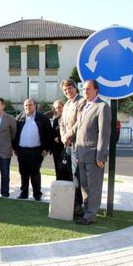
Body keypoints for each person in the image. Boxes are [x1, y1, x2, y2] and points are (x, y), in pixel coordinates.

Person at [75, 79, 111, 225]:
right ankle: (86, 210)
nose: (85, 91)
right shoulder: (84, 106)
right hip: (81, 153)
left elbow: (104, 133)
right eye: (84, 89)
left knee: (94, 187)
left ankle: (91, 215)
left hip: (94, 155)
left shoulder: (102, 106)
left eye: (88, 89)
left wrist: (100, 155)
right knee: (84, 186)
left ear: (96, 90)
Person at [13, 99, 52, 201]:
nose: (27, 107)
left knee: (35, 173)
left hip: (36, 151)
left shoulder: (43, 119)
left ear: (35, 106)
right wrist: (15, 148)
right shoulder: (19, 118)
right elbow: (14, 134)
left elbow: (49, 135)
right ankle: (24, 193)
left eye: (30, 105)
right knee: (23, 173)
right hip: (21, 151)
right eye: (26, 106)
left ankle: (37, 194)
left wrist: (46, 149)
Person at [59, 79, 86, 215]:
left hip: (77, 144)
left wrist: (67, 136)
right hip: (68, 144)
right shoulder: (67, 104)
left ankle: (78, 205)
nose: (67, 91)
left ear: (75, 88)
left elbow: (79, 123)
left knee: (77, 176)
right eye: (65, 90)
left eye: (69, 88)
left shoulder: (81, 102)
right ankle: (73, 202)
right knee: (70, 174)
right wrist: (63, 136)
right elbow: (62, 123)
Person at [51, 99, 71, 180]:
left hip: (67, 147)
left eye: (59, 107)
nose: (58, 109)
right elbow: (53, 133)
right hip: (57, 149)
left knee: (67, 169)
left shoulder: (69, 118)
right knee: (58, 169)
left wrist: (59, 138)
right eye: (56, 108)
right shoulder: (56, 120)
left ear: (64, 107)